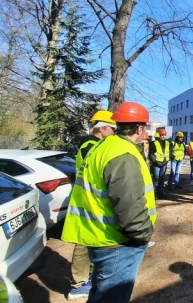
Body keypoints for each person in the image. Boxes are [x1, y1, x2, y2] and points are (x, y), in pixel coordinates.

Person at [62, 102, 156, 303]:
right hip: (118, 242)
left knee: (100, 295)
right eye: (145, 128)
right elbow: (128, 202)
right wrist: (142, 235)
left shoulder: (104, 146)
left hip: (99, 235)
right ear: (139, 128)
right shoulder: (123, 153)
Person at [68, 110, 117, 300]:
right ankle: (78, 284)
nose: (114, 132)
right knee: (83, 244)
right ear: (102, 128)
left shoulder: (93, 144)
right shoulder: (90, 146)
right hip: (86, 202)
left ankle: (86, 277)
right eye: (112, 129)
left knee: (89, 243)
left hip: (91, 201)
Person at [149, 128, 170, 197]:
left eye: (164, 135)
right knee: (155, 179)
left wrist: (167, 160)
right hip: (156, 164)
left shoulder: (167, 143)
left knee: (161, 179)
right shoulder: (154, 143)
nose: (163, 136)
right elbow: (151, 154)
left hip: (164, 164)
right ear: (159, 135)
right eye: (162, 135)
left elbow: (168, 152)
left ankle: (160, 193)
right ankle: (152, 194)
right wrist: (154, 161)